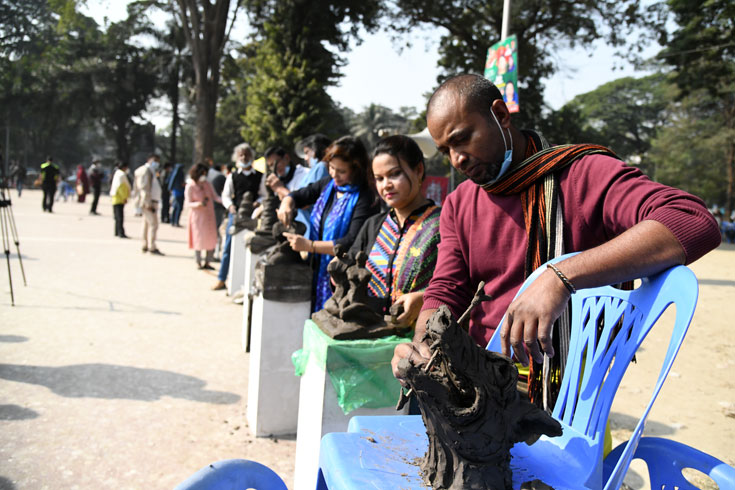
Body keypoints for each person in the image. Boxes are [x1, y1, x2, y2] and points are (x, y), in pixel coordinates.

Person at [392, 74, 721, 409]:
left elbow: (692, 221)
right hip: (478, 383)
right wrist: (422, 344)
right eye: (446, 150)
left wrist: (561, 276)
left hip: (569, 391)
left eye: (463, 139)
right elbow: (448, 287)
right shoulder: (461, 203)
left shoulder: (580, 175)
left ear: (501, 115)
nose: (457, 159)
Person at [277, 136, 379, 312]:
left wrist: (311, 246)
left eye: (341, 171)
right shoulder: (328, 186)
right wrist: (287, 202)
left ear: (356, 169)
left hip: (343, 276)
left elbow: (352, 241)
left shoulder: (366, 197)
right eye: (331, 168)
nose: (334, 174)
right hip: (317, 268)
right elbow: (301, 195)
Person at [348, 135, 441, 325]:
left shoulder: (443, 224)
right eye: (379, 178)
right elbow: (350, 269)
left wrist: (425, 297)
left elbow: (461, 283)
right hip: (371, 336)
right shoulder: (373, 225)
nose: (386, 185)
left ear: (418, 170)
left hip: (424, 340)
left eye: (394, 174)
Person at [213, 143, 262, 291]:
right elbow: (226, 195)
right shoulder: (232, 176)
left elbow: (263, 195)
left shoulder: (260, 176)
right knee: (228, 246)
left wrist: (257, 203)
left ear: (251, 157)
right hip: (236, 216)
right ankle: (222, 278)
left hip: (254, 216)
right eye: (241, 155)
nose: (244, 157)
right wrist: (230, 206)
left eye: (246, 154)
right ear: (237, 157)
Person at [186, 163, 221, 270]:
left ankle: (208, 261)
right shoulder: (190, 186)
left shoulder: (207, 184)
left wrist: (228, 203)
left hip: (209, 216)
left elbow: (215, 197)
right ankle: (198, 261)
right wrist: (198, 204)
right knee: (198, 239)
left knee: (210, 238)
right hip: (197, 216)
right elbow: (188, 203)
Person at [134, 154, 164, 255]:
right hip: (148, 202)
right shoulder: (145, 170)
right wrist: (148, 203)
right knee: (153, 224)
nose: (157, 163)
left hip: (150, 201)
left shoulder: (151, 171)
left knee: (146, 224)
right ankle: (152, 246)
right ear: (149, 160)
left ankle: (145, 245)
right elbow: (144, 188)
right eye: (155, 160)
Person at [109, 161, 131, 238]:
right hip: (119, 198)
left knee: (117, 216)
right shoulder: (121, 174)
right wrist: (124, 197)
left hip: (115, 197)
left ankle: (117, 231)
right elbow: (121, 187)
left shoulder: (117, 173)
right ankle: (121, 233)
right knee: (120, 217)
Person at [168, 163, 186, 227]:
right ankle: (176, 221)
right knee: (179, 207)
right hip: (179, 192)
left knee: (175, 207)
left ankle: (173, 221)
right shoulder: (180, 174)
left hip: (175, 192)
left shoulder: (174, 174)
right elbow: (182, 183)